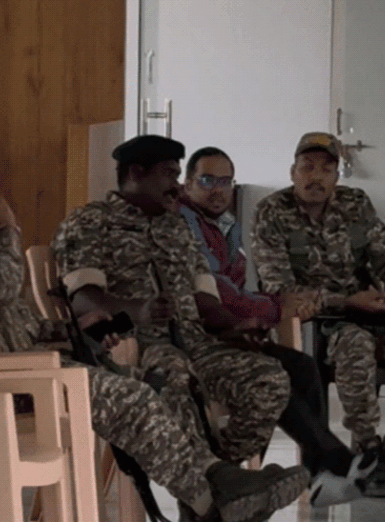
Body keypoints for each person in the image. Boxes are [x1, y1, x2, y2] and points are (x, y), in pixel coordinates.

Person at [0, 131, 309, 522]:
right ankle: (214, 498)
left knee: (144, 387)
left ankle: (218, 490)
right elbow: (5, 286)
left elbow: (12, 319)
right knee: (139, 394)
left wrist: (80, 331)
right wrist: (7, 227)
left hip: (14, 367)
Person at [52, 134, 311, 518]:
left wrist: (236, 325)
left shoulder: (176, 227)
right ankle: (215, 492)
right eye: (169, 175)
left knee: (269, 379)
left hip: (196, 343)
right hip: (135, 348)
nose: (176, 186)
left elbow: (205, 298)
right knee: (172, 374)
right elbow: (84, 298)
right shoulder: (91, 222)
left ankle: (220, 486)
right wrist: (138, 310)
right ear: (135, 173)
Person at [251, 132, 385, 498]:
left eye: (326, 169)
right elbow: (280, 290)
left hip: (373, 315)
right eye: (308, 168)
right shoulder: (271, 212)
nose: (316, 177)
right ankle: (368, 454)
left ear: (337, 176)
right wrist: (347, 302)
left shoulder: (355, 204)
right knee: (355, 344)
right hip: (317, 327)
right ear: (292, 172)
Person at [179, 146, 374, 506]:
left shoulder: (225, 225)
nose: (218, 190)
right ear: (187, 183)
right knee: (275, 374)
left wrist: (267, 309)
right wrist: (275, 307)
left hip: (228, 332)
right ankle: (333, 460)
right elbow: (216, 291)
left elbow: (235, 289)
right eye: (207, 180)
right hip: (199, 338)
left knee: (303, 368)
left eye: (226, 181)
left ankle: (321, 474)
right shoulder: (183, 223)